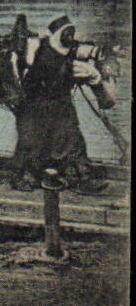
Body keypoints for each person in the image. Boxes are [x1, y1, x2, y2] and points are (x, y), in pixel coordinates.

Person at [11, 15, 98, 192]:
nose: (71, 37)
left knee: (74, 140)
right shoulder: (45, 54)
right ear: (59, 35)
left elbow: (83, 51)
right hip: (39, 105)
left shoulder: (68, 49)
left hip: (62, 104)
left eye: (72, 33)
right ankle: (26, 177)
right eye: (67, 33)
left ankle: (83, 178)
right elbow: (41, 80)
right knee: (33, 143)